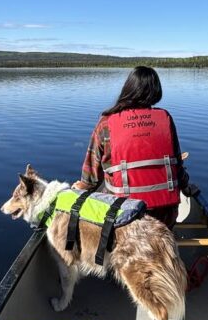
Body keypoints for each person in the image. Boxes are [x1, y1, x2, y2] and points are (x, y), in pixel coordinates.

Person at [75, 66, 194, 230]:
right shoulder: (165, 119)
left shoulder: (106, 124)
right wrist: (186, 187)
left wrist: (81, 187)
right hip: (164, 215)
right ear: (156, 91)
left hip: (122, 214)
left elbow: (91, 176)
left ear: (128, 89)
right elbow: (177, 165)